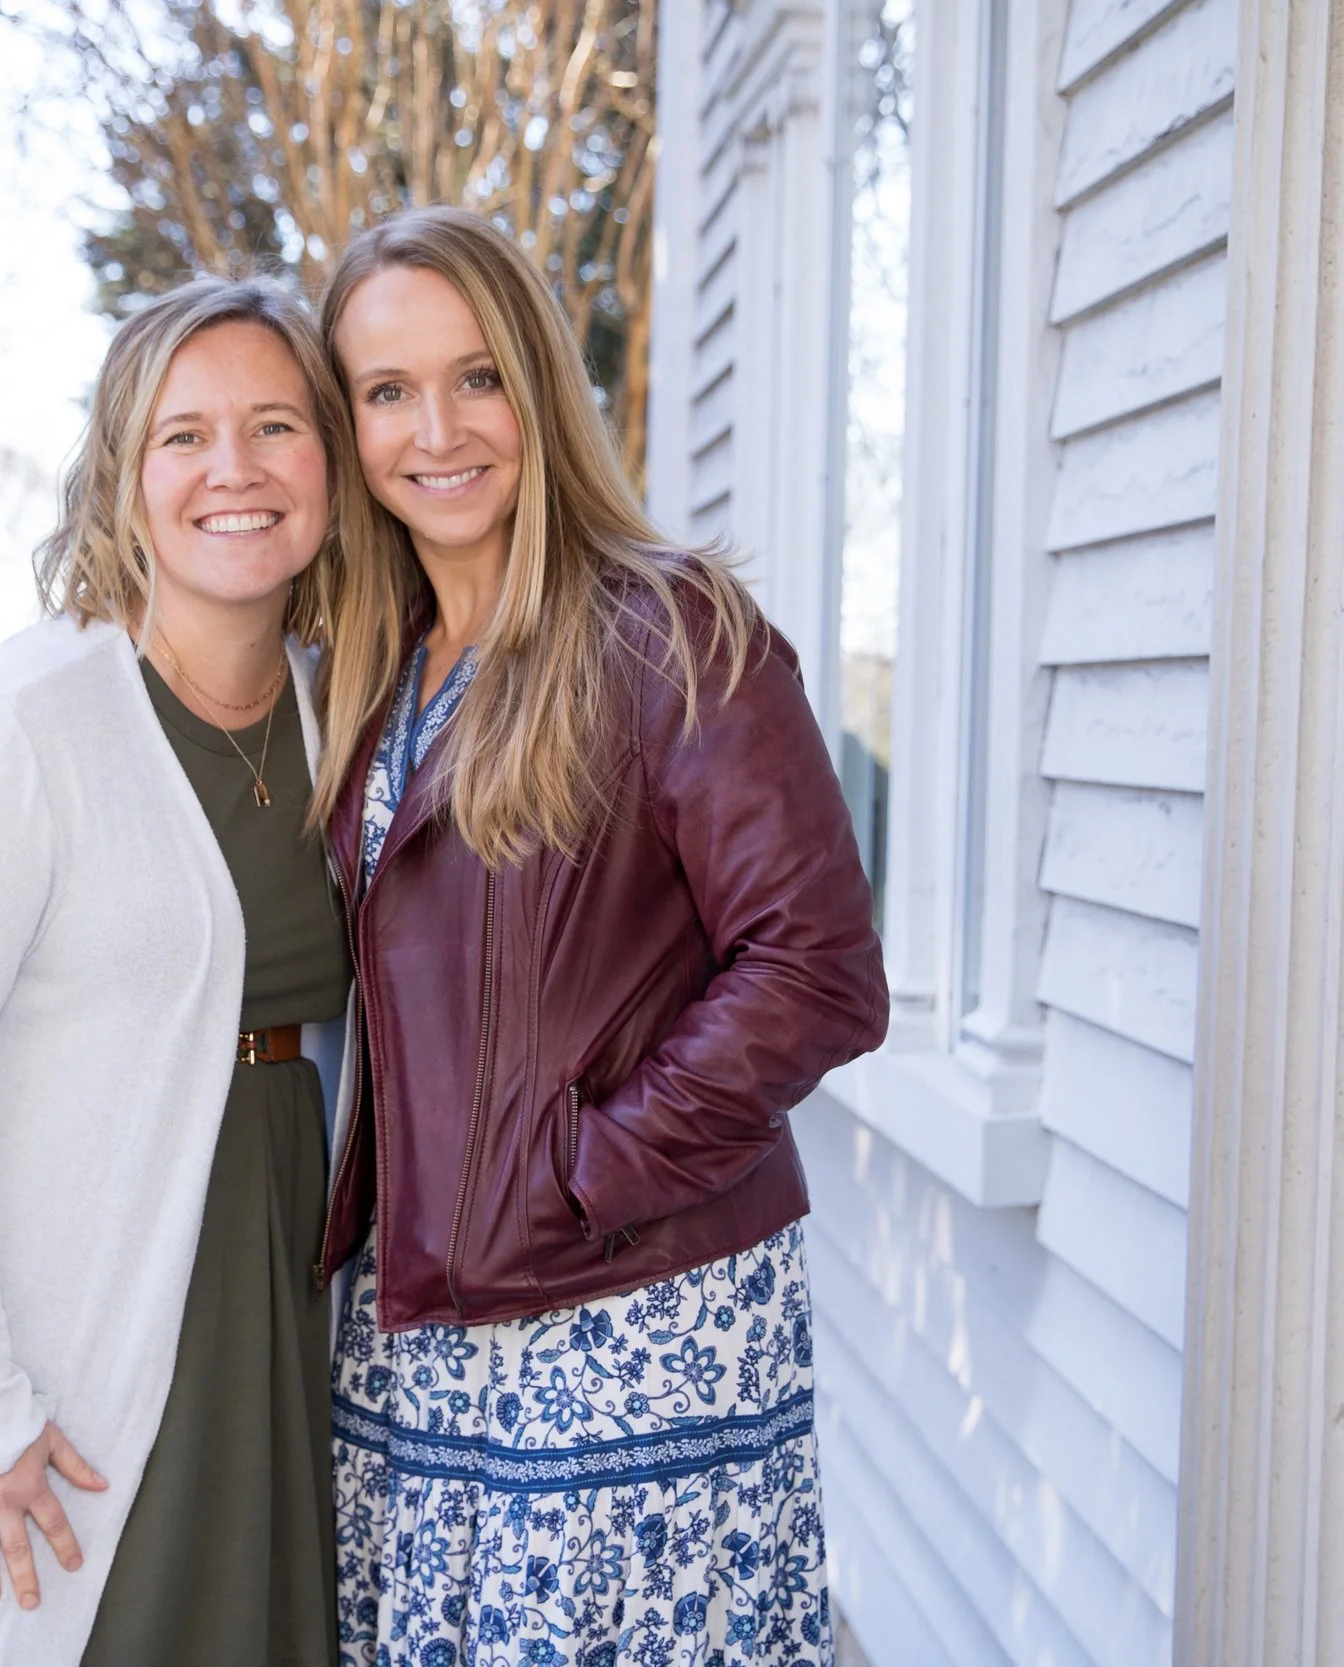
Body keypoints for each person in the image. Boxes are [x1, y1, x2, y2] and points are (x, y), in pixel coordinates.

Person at [310, 206, 891, 1666]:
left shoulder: (669, 630)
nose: (437, 430)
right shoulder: (376, 678)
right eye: (388, 391)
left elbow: (817, 968)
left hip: (628, 1321)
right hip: (419, 1325)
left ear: (539, 385)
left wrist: (589, 1173)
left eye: (477, 377)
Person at [0, 275, 357, 1667]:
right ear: (121, 475)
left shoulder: (346, 713)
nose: (234, 468)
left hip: (267, 1298)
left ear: (331, 464)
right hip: (63, 1334)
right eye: (183, 435)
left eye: (276, 425)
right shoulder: (22, 724)